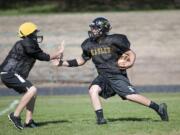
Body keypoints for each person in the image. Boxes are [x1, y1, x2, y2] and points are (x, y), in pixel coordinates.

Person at [53, 17, 169, 125]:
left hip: (116, 74)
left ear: (103, 29)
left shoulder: (114, 40)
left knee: (130, 96)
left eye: (95, 28)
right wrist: (62, 63)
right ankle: (100, 119)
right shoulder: (89, 44)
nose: (92, 30)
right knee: (93, 90)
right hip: (103, 75)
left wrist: (130, 62)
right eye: (92, 27)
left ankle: (158, 108)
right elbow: (81, 60)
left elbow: (130, 53)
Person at [0, 22, 63, 129]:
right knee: (32, 90)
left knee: (32, 94)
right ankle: (15, 115)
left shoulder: (29, 43)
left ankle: (29, 121)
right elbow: (43, 56)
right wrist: (58, 53)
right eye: (34, 33)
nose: (36, 35)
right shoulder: (26, 43)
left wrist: (55, 56)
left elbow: (42, 55)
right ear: (29, 34)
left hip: (12, 73)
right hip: (10, 72)